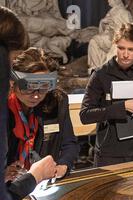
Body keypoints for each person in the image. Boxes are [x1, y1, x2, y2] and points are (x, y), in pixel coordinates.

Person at [0, 6, 55, 200]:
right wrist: (35, 175)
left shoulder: (46, 106)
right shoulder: (7, 112)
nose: (35, 96)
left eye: (42, 89)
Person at [81, 23, 133, 167]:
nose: (125, 54)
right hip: (110, 153)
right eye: (121, 48)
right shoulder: (100, 75)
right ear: (114, 45)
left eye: (131, 49)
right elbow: (85, 115)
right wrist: (122, 107)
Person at [6, 48, 79, 187]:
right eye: (28, 88)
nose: (36, 95)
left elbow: (69, 143)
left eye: (43, 88)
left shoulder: (58, 101)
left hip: (43, 184)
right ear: (12, 83)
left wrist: (63, 166)